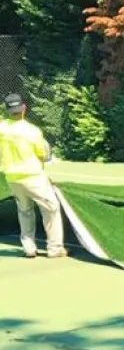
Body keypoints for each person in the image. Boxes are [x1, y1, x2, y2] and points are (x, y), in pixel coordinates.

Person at [0, 93, 67, 259]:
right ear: (23, 108)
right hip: (33, 176)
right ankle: (55, 248)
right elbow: (43, 155)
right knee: (51, 209)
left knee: (24, 211)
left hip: (12, 178)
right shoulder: (32, 131)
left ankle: (29, 248)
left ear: (7, 110)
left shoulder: (2, 128)